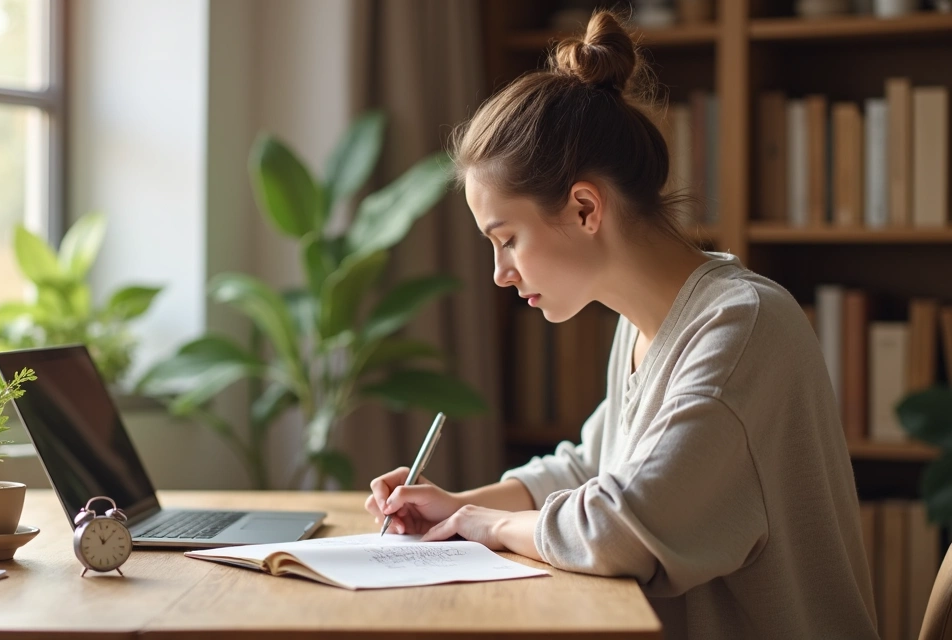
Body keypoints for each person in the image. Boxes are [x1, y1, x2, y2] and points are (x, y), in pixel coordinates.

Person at [364, 9, 876, 639]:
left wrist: (486, 525)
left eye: (508, 239)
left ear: (585, 208)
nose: (500, 274)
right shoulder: (643, 325)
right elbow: (591, 469)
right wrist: (458, 505)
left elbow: (620, 527)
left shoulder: (742, 330)